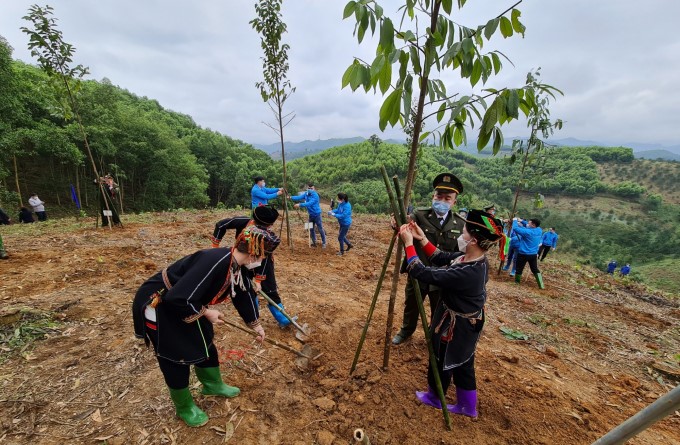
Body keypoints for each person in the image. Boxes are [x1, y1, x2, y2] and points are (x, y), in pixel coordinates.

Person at [133, 225, 280, 427]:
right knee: (175, 354)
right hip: (161, 303)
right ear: (255, 253)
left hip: (188, 302)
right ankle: (184, 407)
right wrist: (206, 312)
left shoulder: (236, 265)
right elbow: (177, 297)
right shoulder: (216, 261)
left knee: (204, 337)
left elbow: (243, 294)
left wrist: (255, 325)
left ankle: (212, 384)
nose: (264, 261)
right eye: (264, 256)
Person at [398, 209, 505, 419]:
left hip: (457, 326)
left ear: (473, 240)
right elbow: (441, 257)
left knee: (441, 358)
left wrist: (408, 244)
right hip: (465, 323)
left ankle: (434, 397)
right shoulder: (470, 259)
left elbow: (422, 272)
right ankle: (467, 406)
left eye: (464, 232)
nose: (460, 236)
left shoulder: (468, 272)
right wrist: (421, 238)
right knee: (463, 362)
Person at [392, 173, 465, 345]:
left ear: (454, 202)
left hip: (442, 277)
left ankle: (434, 337)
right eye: (439, 196)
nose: (442, 200)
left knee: (439, 310)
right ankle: (406, 331)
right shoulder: (420, 215)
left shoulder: (460, 224)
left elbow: (458, 255)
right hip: (418, 271)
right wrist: (397, 224)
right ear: (433, 196)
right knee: (412, 305)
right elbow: (405, 223)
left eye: (448, 198)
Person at [209, 205, 292, 327]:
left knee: (269, 289)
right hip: (241, 261)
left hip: (263, 264)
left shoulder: (267, 238)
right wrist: (214, 247)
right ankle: (253, 316)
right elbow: (221, 225)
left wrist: (259, 279)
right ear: (269, 225)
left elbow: (265, 259)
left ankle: (282, 319)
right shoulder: (243, 223)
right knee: (246, 288)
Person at [511, 217, 545, 289]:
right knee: (535, 269)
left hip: (523, 254)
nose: (528, 223)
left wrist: (514, 221)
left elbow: (516, 228)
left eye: (529, 222)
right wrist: (522, 221)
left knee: (519, 268)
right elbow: (527, 225)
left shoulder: (528, 232)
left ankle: (517, 283)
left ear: (533, 224)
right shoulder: (539, 230)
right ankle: (541, 285)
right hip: (533, 254)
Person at [290, 183, 327, 248]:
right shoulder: (306, 193)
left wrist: (299, 205)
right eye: (309, 188)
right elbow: (299, 197)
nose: (310, 189)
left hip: (317, 214)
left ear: (314, 188)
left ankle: (324, 242)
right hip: (310, 215)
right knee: (311, 228)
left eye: (311, 188)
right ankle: (314, 241)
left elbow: (309, 203)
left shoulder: (315, 196)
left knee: (320, 228)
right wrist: (290, 197)